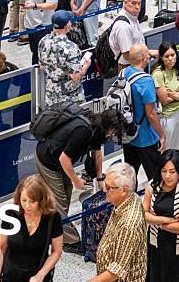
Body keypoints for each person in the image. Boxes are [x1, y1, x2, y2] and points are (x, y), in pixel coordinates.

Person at [36, 105, 126, 255]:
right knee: (59, 201)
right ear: (108, 126)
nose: (112, 135)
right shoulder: (84, 131)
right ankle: (70, 241)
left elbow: (97, 154)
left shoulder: (98, 131)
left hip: (59, 161)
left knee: (65, 194)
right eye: (113, 131)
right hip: (48, 160)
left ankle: (55, 226)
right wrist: (76, 180)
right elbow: (64, 159)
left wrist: (100, 178)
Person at [0, 175, 63, 282]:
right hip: (11, 276)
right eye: (24, 200)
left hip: (38, 276)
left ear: (41, 200)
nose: (27, 206)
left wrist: (41, 275)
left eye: (32, 201)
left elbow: (56, 251)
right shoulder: (11, 214)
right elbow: (1, 248)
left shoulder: (53, 218)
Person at [143, 151, 179, 282]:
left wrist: (155, 221)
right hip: (156, 244)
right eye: (164, 171)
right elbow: (143, 214)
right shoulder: (152, 186)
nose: (167, 176)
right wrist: (165, 220)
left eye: (172, 172)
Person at [121, 44, 166, 181]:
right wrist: (161, 134)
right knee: (155, 178)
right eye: (147, 53)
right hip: (146, 138)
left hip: (128, 134)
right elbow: (151, 114)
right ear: (144, 57)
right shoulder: (145, 81)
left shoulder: (123, 73)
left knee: (129, 177)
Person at [38, 10, 92, 106]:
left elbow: (41, 66)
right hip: (70, 100)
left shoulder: (43, 41)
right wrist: (85, 66)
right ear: (67, 26)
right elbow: (75, 77)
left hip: (51, 96)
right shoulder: (71, 48)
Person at [152, 42, 179, 151]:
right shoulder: (158, 73)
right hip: (166, 117)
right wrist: (177, 95)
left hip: (178, 111)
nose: (170, 59)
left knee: (175, 147)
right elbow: (164, 100)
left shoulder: (176, 69)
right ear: (161, 57)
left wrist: (176, 93)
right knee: (165, 149)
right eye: (166, 56)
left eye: (172, 55)